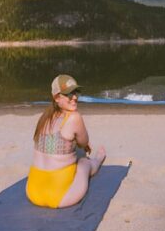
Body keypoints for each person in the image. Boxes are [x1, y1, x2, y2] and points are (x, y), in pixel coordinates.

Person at [26, 74, 106, 208]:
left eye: (76, 92)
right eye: (69, 94)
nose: (74, 97)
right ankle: (98, 160)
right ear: (57, 97)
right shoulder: (74, 117)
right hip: (59, 197)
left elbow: (52, 146)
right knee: (83, 163)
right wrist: (83, 146)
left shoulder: (44, 117)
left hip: (32, 191)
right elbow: (84, 142)